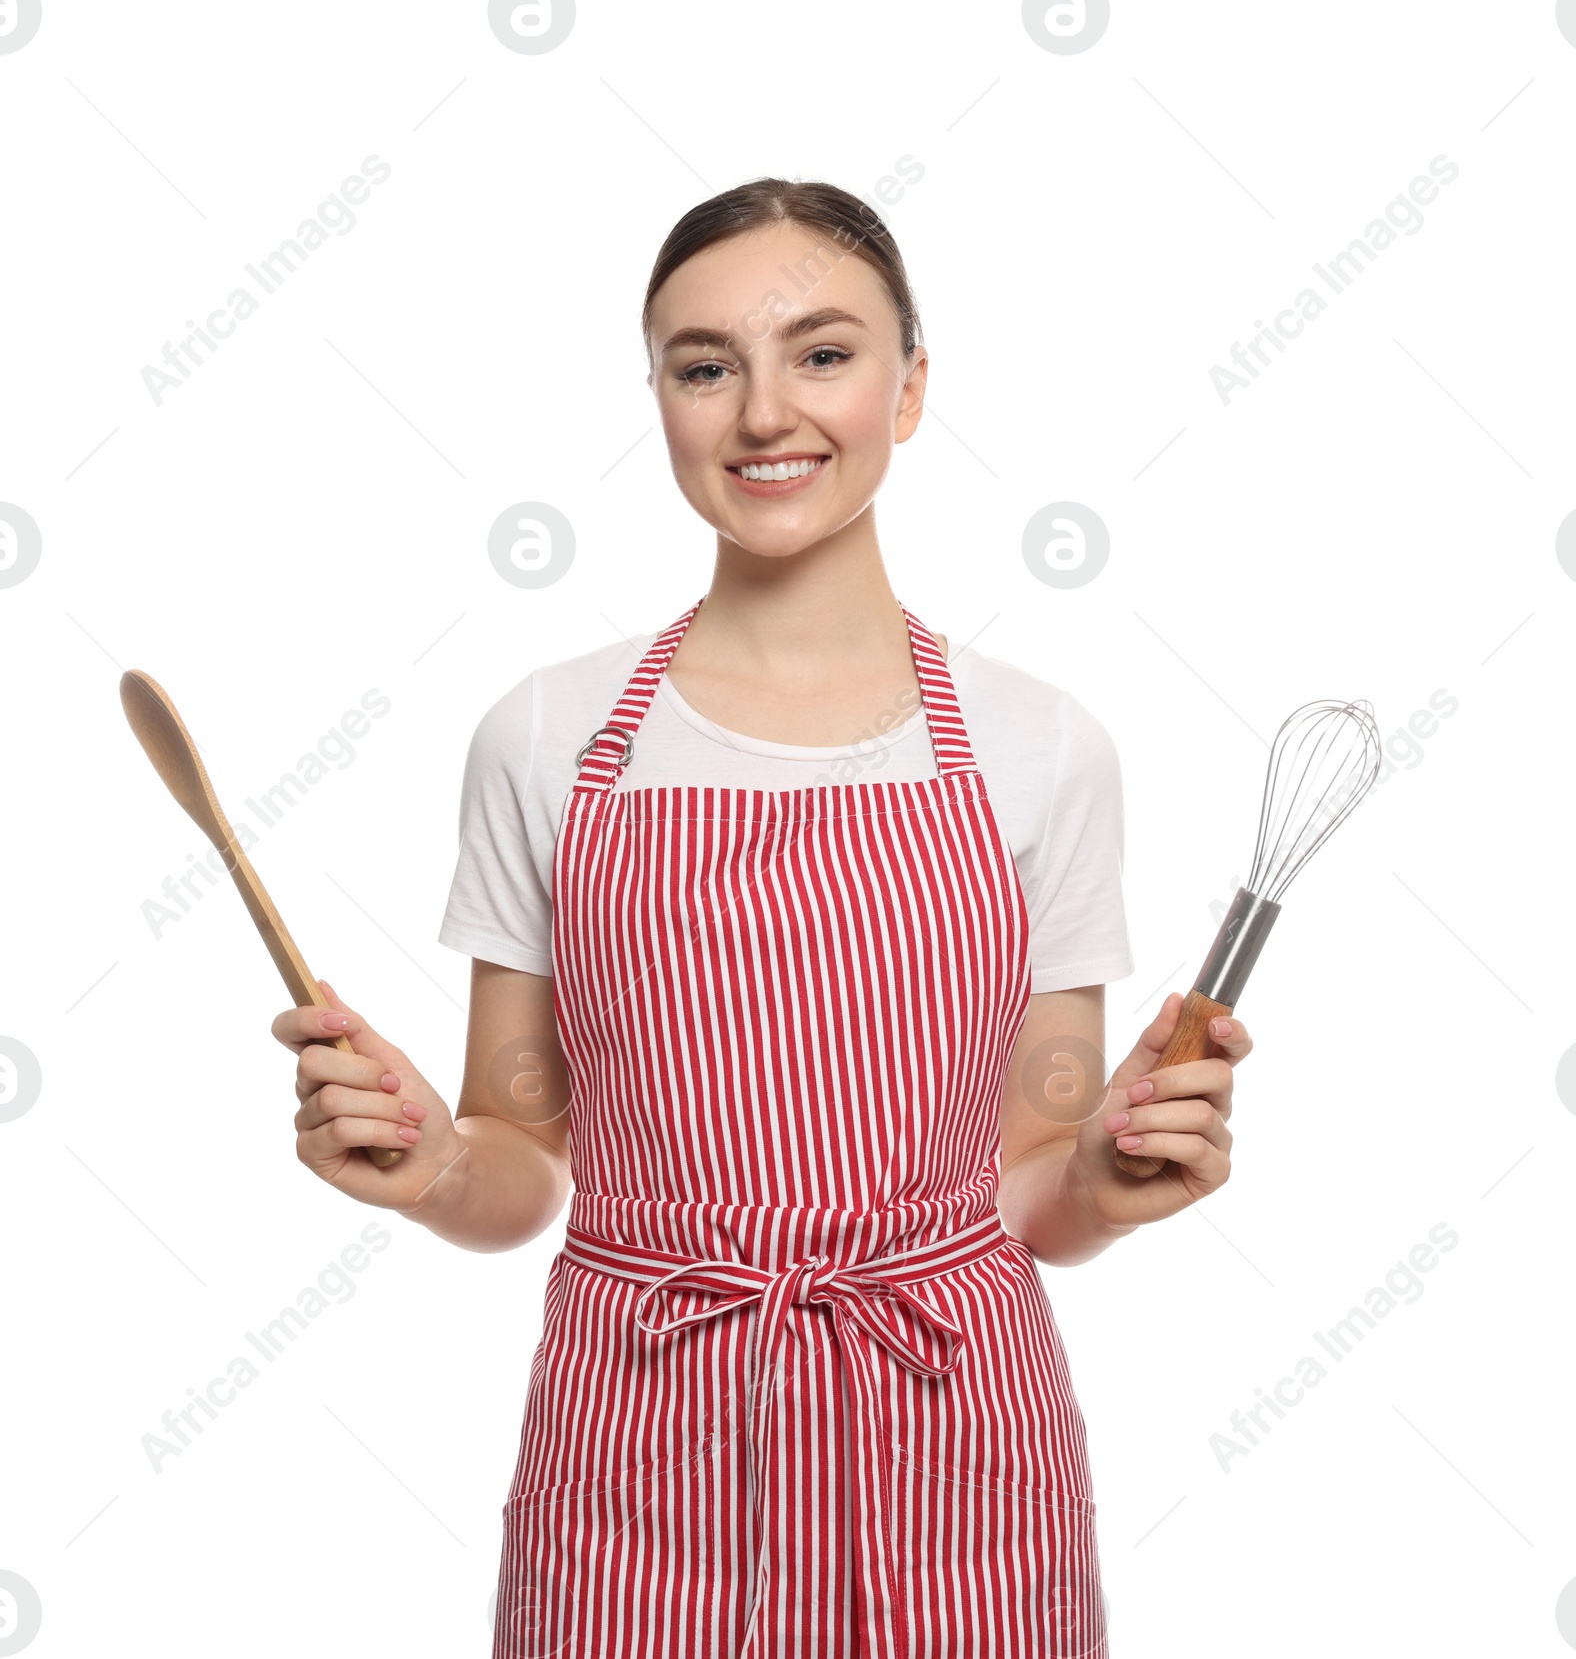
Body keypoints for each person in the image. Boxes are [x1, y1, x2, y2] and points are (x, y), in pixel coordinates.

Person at [274, 178, 1251, 1658]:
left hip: (955, 1443)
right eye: (706, 364)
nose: (763, 414)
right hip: (638, 1439)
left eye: (826, 353)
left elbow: (1033, 1178)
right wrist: (423, 1163)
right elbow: (522, 1165)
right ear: (658, 396)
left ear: (912, 388)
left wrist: (1107, 1183)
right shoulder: (544, 736)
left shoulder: (1044, 748)